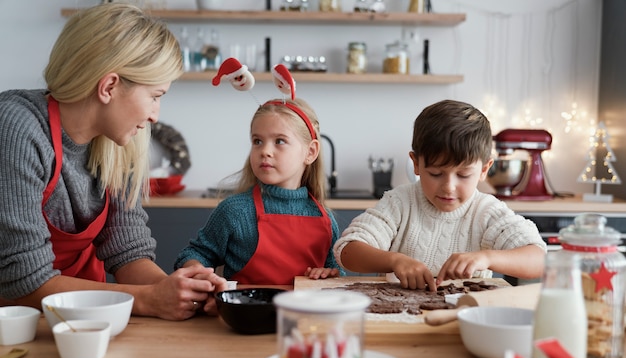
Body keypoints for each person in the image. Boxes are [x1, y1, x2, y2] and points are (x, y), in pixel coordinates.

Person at [0, 3, 227, 320]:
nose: (154, 115)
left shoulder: (121, 143)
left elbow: (128, 254)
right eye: (155, 95)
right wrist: (148, 300)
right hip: (15, 332)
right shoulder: (16, 127)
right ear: (109, 87)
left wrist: (183, 293)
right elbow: (24, 281)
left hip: (87, 324)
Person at [334, 99, 547, 291]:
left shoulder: (487, 212)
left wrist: (487, 258)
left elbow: (539, 260)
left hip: (465, 320)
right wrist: (395, 261)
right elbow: (347, 250)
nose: (448, 187)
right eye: (436, 173)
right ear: (416, 164)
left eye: (463, 175)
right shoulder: (400, 202)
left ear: (484, 169)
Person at [175, 98, 343, 284]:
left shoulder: (325, 220)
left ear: (310, 152)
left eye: (279, 141)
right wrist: (198, 269)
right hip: (246, 312)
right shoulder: (235, 211)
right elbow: (196, 254)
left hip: (305, 313)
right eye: (257, 141)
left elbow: (337, 274)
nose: (265, 151)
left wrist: (329, 275)